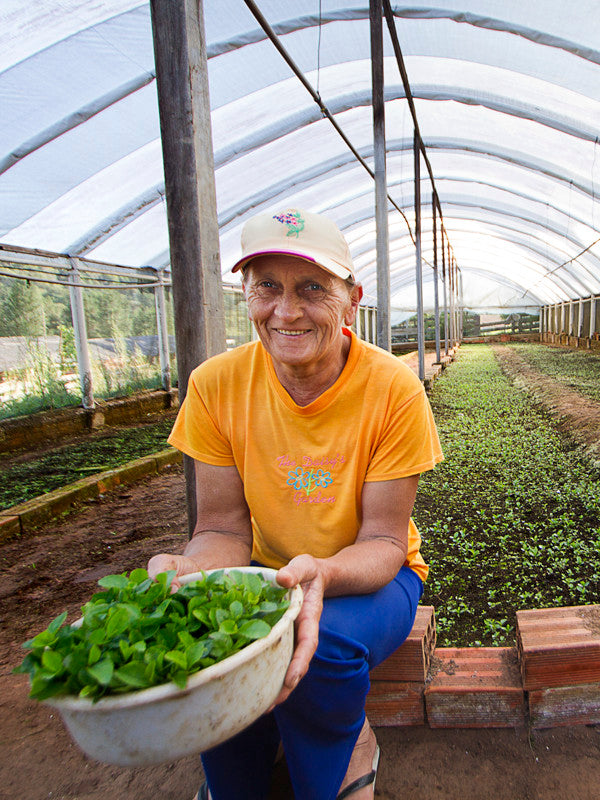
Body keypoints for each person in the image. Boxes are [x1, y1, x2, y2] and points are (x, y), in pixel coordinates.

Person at [148, 208, 443, 800]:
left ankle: (334, 761)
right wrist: (189, 568)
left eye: (312, 288)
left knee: (322, 642)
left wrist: (324, 573)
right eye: (268, 287)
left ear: (351, 299)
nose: (287, 311)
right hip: (272, 573)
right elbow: (223, 528)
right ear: (246, 295)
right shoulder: (215, 385)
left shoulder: (392, 390)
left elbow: (384, 541)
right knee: (217, 647)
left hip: (373, 579)